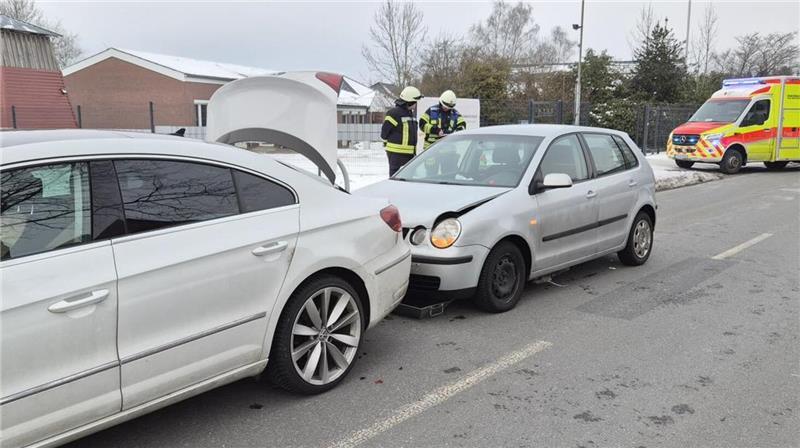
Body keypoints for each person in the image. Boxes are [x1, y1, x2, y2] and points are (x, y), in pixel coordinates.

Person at [381, 86, 423, 176]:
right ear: (410, 102)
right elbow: (384, 134)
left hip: (409, 154)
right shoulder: (393, 113)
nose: (416, 105)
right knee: (396, 180)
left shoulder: (410, 114)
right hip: (396, 155)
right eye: (415, 102)